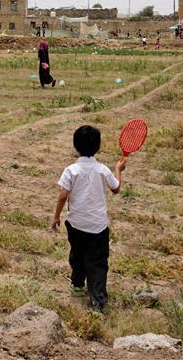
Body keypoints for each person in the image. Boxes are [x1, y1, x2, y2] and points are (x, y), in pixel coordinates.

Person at [50, 125, 125, 314]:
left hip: (75, 224)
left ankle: (77, 285)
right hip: (98, 226)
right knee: (98, 262)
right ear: (98, 147)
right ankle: (98, 300)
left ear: (75, 146)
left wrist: (57, 216)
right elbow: (116, 189)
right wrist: (118, 169)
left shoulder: (71, 170)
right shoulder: (103, 170)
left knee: (78, 254)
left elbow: (62, 196)